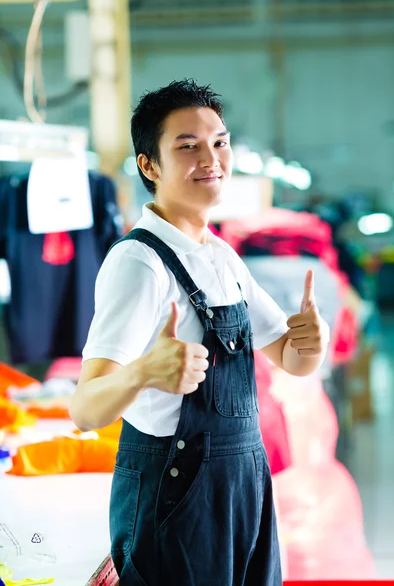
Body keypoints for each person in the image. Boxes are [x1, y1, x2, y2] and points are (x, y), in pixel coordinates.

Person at [70, 79, 329, 586]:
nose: (210, 158)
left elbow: (290, 359)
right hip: (176, 499)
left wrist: (310, 342)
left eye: (219, 142)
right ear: (149, 165)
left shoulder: (220, 256)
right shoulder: (139, 263)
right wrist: (143, 371)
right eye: (187, 146)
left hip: (242, 489)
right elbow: (84, 409)